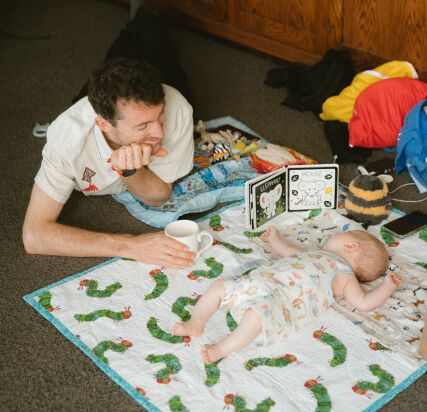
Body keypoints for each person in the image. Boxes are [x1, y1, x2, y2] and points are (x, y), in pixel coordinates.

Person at [22, 55, 196, 269]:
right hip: (86, 113)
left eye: (160, 115)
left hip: (157, 71)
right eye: (142, 126)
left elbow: (158, 197)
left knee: (157, 49)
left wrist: (129, 172)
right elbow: (34, 235)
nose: (159, 133)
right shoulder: (65, 139)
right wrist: (131, 246)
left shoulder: (178, 107)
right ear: (104, 125)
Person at [172, 225, 402, 364]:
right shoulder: (314, 253)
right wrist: (274, 239)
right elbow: (288, 252)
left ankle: (223, 348)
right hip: (261, 282)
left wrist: (387, 287)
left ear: (351, 246)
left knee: (256, 315)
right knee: (220, 285)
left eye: (346, 233)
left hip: (281, 300)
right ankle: (196, 322)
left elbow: (363, 302)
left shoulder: (344, 276)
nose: (337, 233)